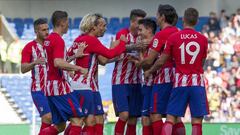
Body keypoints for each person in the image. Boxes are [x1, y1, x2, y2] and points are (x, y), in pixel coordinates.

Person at [145, 8, 209, 135]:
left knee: (171, 118)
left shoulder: (174, 38)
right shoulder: (203, 39)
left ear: (183, 19)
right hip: (197, 84)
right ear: (196, 21)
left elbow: (161, 61)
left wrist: (150, 71)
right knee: (197, 121)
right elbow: (202, 62)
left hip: (180, 83)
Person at [67, 13, 127, 135]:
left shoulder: (79, 40)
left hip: (90, 86)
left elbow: (103, 60)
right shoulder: (90, 40)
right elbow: (109, 54)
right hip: (83, 85)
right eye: (102, 25)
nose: (105, 28)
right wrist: (122, 43)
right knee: (85, 120)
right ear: (93, 27)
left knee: (98, 118)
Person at [139, 4, 185, 135]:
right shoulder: (179, 31)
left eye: (157, 15)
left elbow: (149, 61)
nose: (156, 18)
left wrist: (140, 64)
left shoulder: (160, 35)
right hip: (178, 78)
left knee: (155, 114)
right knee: (175, 117)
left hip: (163, 78)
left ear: (163, 17)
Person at [41, 10, 88, 135]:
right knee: (77, 120)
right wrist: (78, 68)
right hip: (59, 86)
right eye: (67, 22)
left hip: (50, 86)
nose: (68, 25)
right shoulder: (58, 40)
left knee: (60, 125)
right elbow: (57, 63)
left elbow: (56, 61)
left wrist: (74, 57)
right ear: (62, 22)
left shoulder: (49, 39)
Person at [112, 9, 146, 135]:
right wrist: (133, 47)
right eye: (139, 22)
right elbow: (114, 50)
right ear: (132, 22)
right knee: (124, 115)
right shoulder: (122, 34)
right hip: (120, 81)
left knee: (133, 118)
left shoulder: (142, 37)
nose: (140, 26)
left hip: (136, 82)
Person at [21, 18, 52, 134]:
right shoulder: (29, 47)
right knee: (47, 117)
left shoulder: (51, 45)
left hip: (53, 88)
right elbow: (23, 69)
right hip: (38, 89)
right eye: (43, 30)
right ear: (36, 31)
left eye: (48, 29)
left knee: (59, 120)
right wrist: (35, 62)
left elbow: (59, 62)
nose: (47, 32)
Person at [130, 18, 157, 135]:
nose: (139, 33)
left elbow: (147, 65)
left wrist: (139, 58)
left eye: (141, 30)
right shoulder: (146, 44)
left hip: (156, 85)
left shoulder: (155, 43)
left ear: (149, 30)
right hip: (146, 85)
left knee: (155, 117)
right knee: (145, 118)